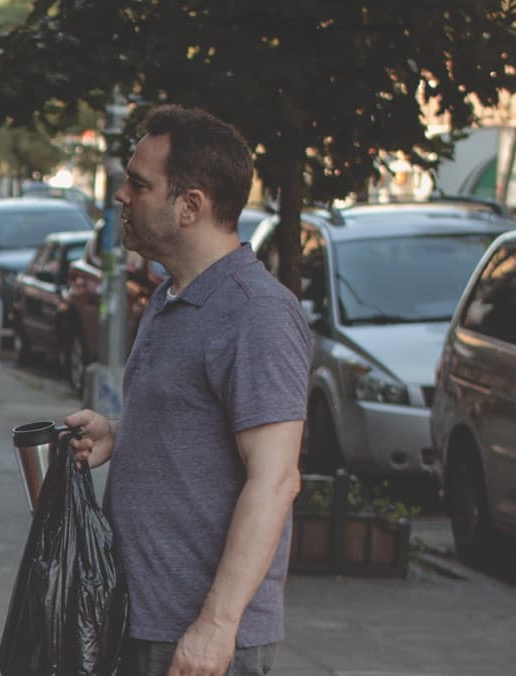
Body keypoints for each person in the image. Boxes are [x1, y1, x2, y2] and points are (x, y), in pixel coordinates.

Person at [63, 106, 310, 676]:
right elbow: (201, 428)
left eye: (139, 184)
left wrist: (217, 626)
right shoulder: (170, 297)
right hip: (137, 620)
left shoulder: (257, 313)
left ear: (190, 206)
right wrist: (120, 435)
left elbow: (275, 479)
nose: (121, 195)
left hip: (196, 641)